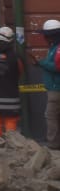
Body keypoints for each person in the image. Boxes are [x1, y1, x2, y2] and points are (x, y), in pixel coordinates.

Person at [0, 26, 25, 136]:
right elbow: (20, 72)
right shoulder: (16, 57)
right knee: (11, 125)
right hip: (11, 99)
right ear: (11, 40)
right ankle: (11, 148)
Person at [35, 18, 60, 149]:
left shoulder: (57, 48)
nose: (44, 38)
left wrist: (42, 62)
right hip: (55, 87)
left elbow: (57, 66)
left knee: (50, 116)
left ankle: (53, 144)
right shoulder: (54, 48)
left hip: (56, 88)